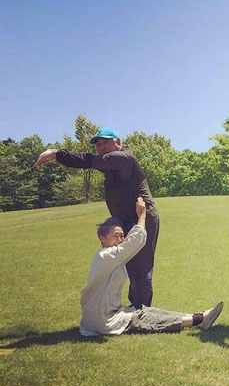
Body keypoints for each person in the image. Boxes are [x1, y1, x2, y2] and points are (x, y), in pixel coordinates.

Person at [34, 127, 159, 309]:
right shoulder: (111, 164)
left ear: (118, 142)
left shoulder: (123, 159)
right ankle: (135, 307)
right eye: (98, 144)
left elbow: (88, 160)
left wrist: (56, 154)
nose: (101, 146)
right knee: (128, 263)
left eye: (106, 142)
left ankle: (142, 310)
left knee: (140, 266)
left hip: (142, 215)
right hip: (122, 219)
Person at [80, 197, 223, 336]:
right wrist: (142, 215)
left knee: (149, 312)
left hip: (103, 315)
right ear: (102, 238)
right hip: (103, 320)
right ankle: (199, 320)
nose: (120, 240)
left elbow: (132, 244)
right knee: (146, 318)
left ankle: (198, 316)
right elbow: (136, 241)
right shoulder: (105, 256)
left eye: (122, 236)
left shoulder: (114, 258)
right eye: (115, 236)